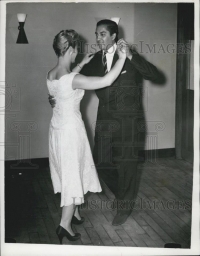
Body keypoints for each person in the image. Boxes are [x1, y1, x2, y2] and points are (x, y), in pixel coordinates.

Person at [49, 20, 165, 226]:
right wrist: (54, 96)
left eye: (102, 34)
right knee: (101, 163)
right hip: (105, 122)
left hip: (130, 123)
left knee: (127, 166)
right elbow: (70, 82)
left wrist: (129, 55)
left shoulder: (131, 57)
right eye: (96, 34)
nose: (98, 38)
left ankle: (124, 206)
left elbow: (155, 75)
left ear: (114, 36)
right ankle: (123, 196)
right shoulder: (94, 60)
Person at [47, 29, 126, 244]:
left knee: (68, 171)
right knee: (73, 174)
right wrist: (121, 58)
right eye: (76, 52)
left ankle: (74, 213)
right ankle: (65, 224)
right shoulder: (74, 79)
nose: (77, 55)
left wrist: (81, 65)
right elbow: (107, 80)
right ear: (71, 49)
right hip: (71, 132)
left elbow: (58, 92)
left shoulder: (51, 74)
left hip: (56, 130)